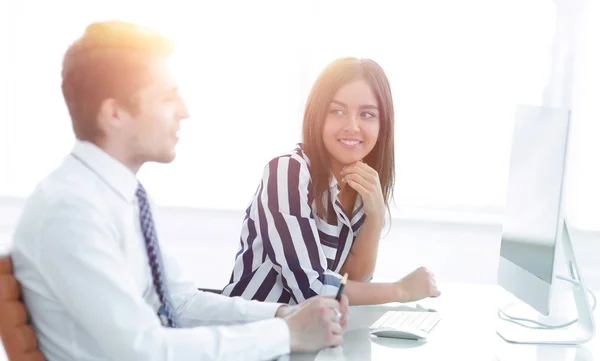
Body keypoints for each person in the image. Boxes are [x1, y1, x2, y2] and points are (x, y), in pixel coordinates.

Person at [10, 21, 348, 361]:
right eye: (168, 97)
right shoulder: (71, 211)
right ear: (114, 114)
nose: (184, 112)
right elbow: (145, 350)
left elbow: (180, 303)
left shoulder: (125, 197)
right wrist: (285, 335)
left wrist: (281, 316)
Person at [223, 57, 441, 306]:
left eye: (367, 114)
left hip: (311, 334)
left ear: (383, 124)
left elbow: (352, 281)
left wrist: (376, 217)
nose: (352, 126)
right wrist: (400, 291)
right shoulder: (287, 172)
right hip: (257, 334)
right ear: (318, 115)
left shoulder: (362, 184)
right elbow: (312, 289)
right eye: (337, 111)